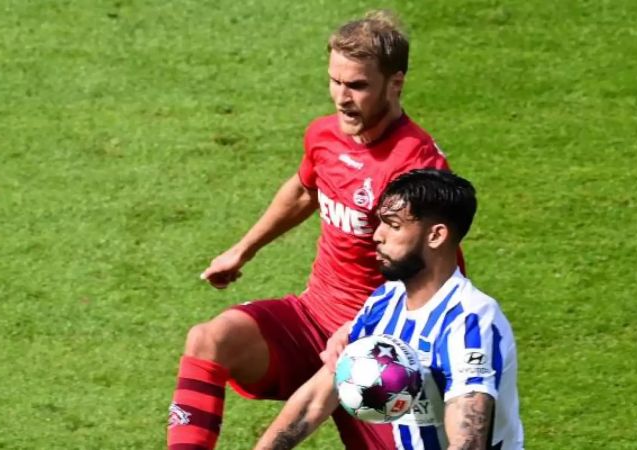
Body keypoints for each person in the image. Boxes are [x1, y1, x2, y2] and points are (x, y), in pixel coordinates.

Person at [167, 11, 459, 450]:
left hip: (381, 350)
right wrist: (243, 250)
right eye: (335, 81)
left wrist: (383, 343)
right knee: (209, 339)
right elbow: (305, 191)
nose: (342, 98)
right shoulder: (325, 136)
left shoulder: (416, 168)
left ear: (395, 83)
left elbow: (435, 270)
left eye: (357, 85)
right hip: (311, 319)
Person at [254, 169, 524, 450]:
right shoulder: (385, 301)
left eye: (393, 225)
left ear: (436, 235)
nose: (377, 236)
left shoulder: (470, 321)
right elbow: (318, 397)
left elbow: (468, 442)